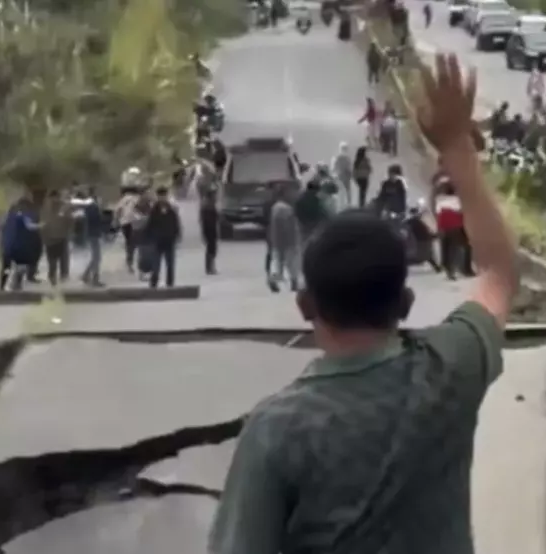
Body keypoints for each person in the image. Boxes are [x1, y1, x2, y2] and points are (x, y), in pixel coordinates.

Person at [208, 52, 519, 554]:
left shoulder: (278, 431)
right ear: (407, 301)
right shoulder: (451, 370)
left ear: (306, 306)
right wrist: (458, 149)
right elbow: (499, 273)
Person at [266, 184, 301, 293]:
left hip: (277, 240)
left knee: (278, 263)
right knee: (292, 263)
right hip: (288, 240)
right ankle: (294, 282)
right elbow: (290, 226)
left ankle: (273, 279)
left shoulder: (275, 208)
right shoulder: (286, 209)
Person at [146, 187, 182, 288]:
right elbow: (150, 225)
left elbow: (175, 222)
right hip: (157, 241)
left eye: (164, 196)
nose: (163, 198)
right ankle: (154, 283)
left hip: (169, 240)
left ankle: (170, 283)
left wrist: (176, 235)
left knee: (170, 264)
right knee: (156, 264)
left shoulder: (171, 209)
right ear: (158, 197)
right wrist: (150, 237)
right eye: (160, 196)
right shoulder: (154, 210)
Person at [41, 189, 72, 287]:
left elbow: (43, 222)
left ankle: (53, 277)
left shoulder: (45, 207)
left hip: (51, 238)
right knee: (61, 257)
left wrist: (43, 236)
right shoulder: (63, 206)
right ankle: (61, 276)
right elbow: (69, 220)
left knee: (52, 259)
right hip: (60, 236)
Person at [76, 188, 105, 287]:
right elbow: (95, 220)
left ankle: (86, 275)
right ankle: (94, 279)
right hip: (93, 233)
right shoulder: (92, 206)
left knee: (96, 257)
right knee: (97, 257)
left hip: (92, 233)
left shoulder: (91, 206)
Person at [114, 184, 143, 273]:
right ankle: (136, 263)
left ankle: (129, 261)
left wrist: (117, 221)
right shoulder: (137, 198)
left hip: (125, 223)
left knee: (129, 243)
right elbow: (140, 209)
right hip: (136, 222)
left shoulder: (123, 199)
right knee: (137, 243)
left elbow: (117, 210)